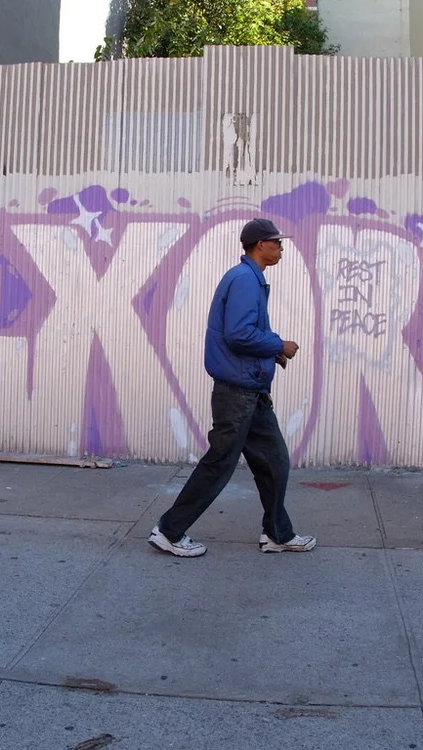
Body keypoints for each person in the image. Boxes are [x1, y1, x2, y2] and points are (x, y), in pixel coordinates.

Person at [148, 218, 316, 558]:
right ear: (259, 245)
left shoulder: (250, 279)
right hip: (238, 394)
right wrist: (277, 344)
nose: (281, 248)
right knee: (220, 463)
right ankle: (169, 530)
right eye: (276, 242)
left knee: (275, 461)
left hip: (250, 391)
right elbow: (238, 334)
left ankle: (277, 533)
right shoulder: (244, 280)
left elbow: (241, 335)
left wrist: (270, 356)